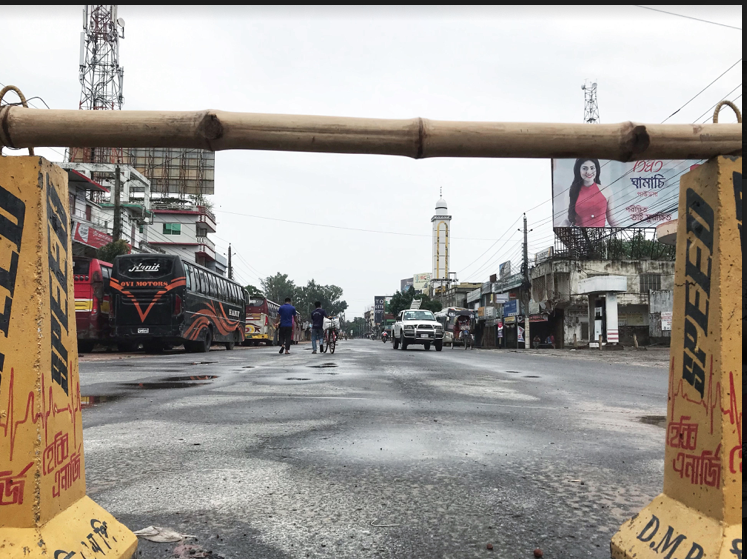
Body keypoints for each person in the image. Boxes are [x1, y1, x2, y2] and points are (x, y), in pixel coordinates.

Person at [562, 158, 620, 227]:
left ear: (597, 169)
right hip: (579, 236)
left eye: (592, 168)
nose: (589, 172)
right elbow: (567, 220)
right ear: (578, 170)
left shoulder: (606, 191)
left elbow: (612, 220)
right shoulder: (571, 192)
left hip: (601, 236)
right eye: (584, 168)